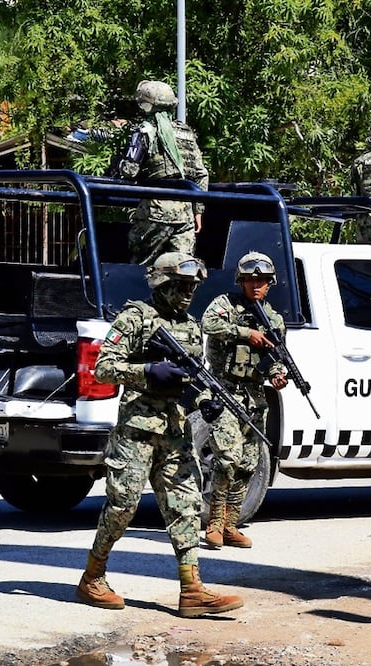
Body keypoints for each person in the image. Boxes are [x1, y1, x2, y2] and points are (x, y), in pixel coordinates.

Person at [75, 251, 244, 618]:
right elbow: (104, 367)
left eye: (192, 287)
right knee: (123, 507)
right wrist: (148, 371)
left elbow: (192, 378)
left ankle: (192, 590)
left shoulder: (190, 326)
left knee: (186, 506)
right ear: (161, 283)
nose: (187, 294)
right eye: (180, 286)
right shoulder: (134, 319)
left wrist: (205, 401)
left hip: (175, 432)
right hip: (137, 432)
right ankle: (92, 577)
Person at [200, 251, 289, 548]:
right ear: (241, 281)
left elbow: (276, 357)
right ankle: (213, 522)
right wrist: (245, 332)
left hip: (253, 397)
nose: (255, 286)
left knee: (248, 465)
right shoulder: (226, 304)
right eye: (250, 280)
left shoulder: (274, 319)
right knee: (227, 459)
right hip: (224, 391)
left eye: (261, 281)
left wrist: (278, 374)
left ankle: (230, 524)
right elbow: (208, 324)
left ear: (270, 283)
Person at [114, 80, 210, 263]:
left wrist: (118, 164)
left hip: (155, 212)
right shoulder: (186, 133)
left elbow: (130, 170)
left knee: (142, 269)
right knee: (182, 271)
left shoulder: (145, 131)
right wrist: (198, 211)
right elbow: (201, 174)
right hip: (186, 214)